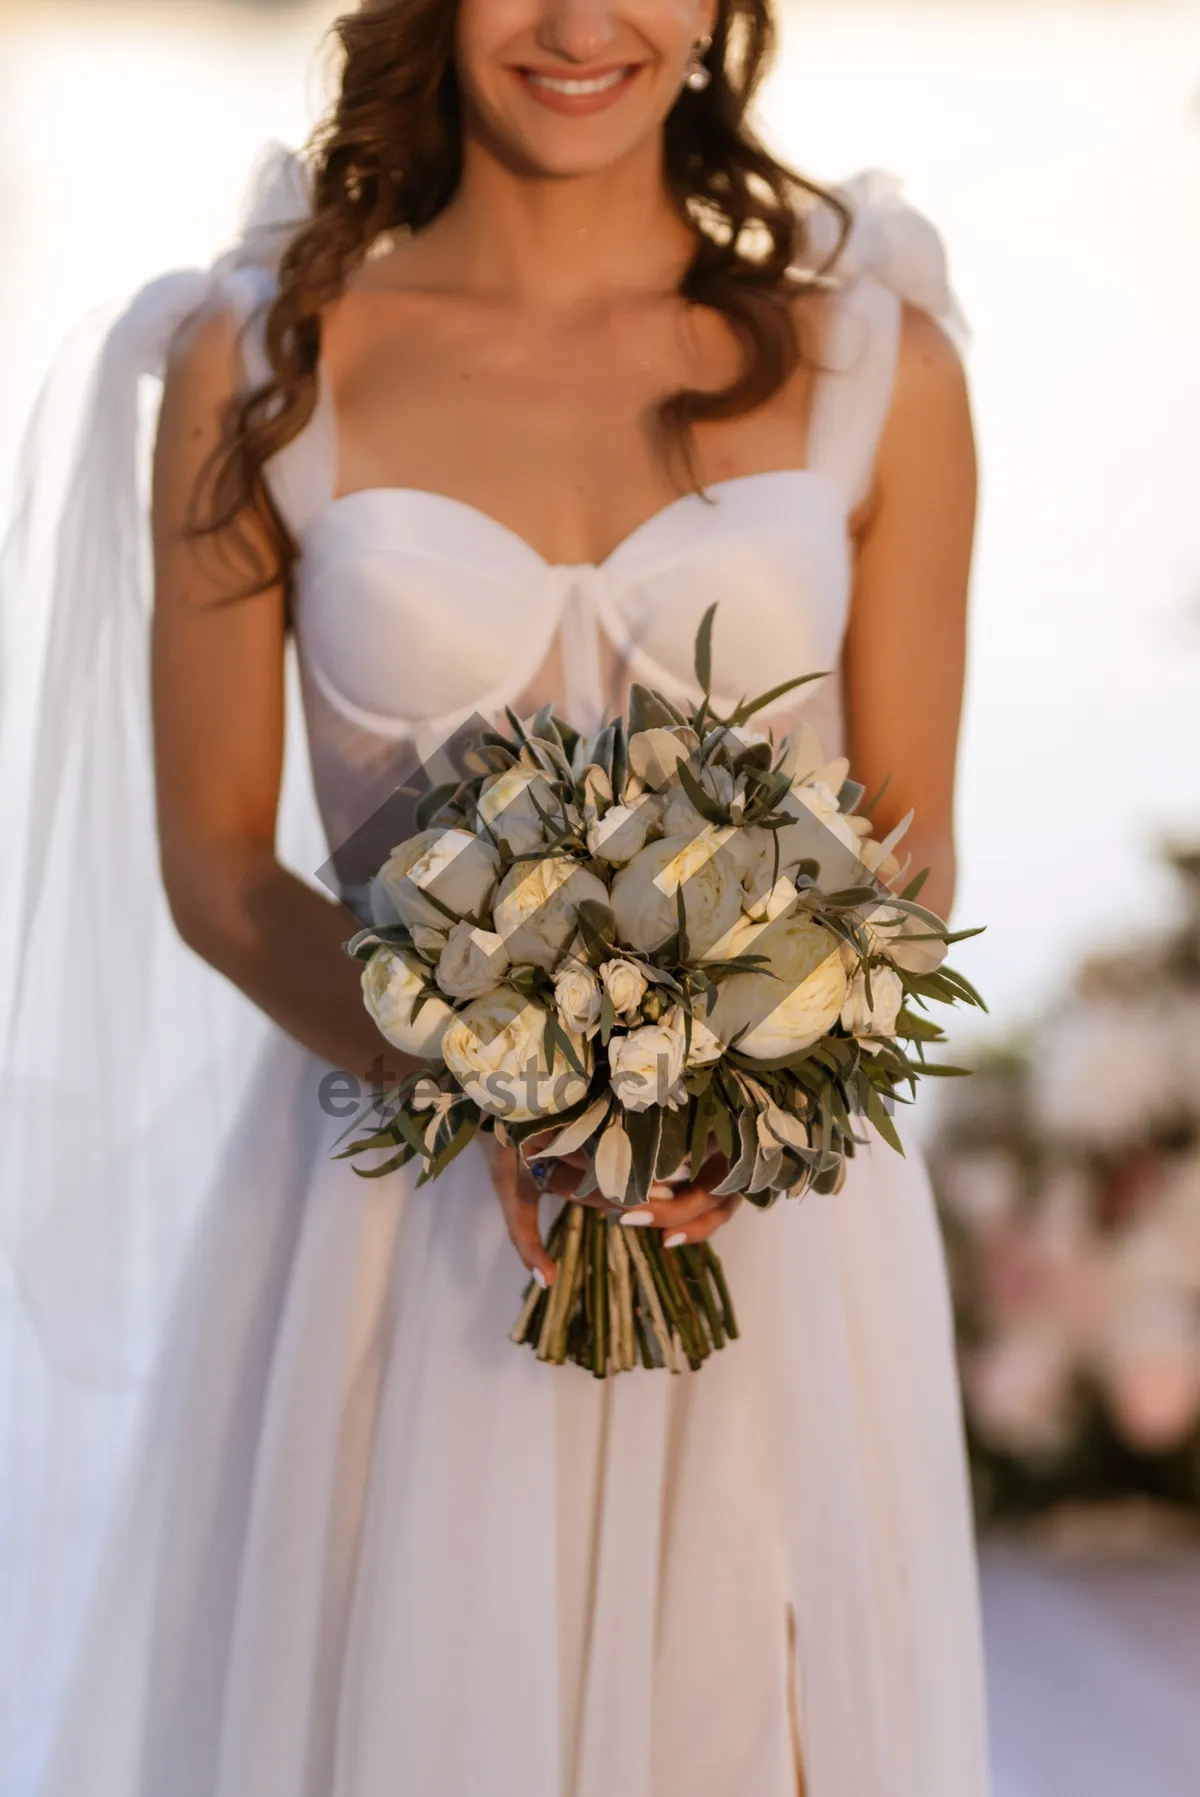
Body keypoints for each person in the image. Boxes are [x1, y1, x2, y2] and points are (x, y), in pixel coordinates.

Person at [9, 2, 988, 1793]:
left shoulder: (876, 363)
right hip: (394, 1220)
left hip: (766, 1226)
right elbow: (219, 866)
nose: (576, 22)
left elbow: (911, 843)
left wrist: (743, 1090)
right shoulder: (267, 359)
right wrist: (485, 1080)